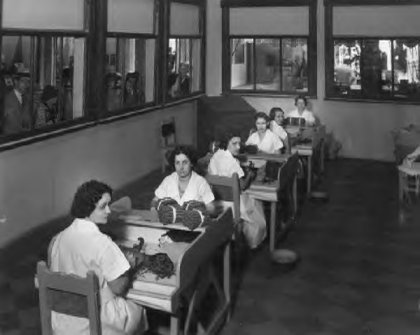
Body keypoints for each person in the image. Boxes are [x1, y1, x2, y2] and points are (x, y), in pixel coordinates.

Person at [49, 180, 147, 335]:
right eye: (103, 206)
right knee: (138, 309)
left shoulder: (59, 238)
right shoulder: (102, 242)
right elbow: (118, 287)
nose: (108, 211)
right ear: (88, 209)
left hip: (61, 322)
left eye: (109, 204)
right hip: (93, 322)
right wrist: (129, 267)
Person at [208, 132, 266, 248]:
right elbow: (243, 185)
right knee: (257, 202)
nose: (238, 147)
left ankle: (242, 240)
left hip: (216, 201)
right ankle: (253, 243)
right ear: (226, 143)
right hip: (234, 205)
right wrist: (250, 174)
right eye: (234, 144)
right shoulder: (232, 162)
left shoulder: (216, 155)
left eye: (239, 143)